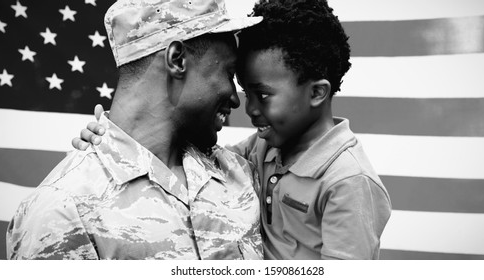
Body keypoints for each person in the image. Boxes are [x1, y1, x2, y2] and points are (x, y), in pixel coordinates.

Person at [74, 0, 392, 260]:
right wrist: (112, 139)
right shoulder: (262, 149)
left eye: (263, 95)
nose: (248, 107)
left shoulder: (350, 181)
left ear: (316, 93)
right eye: (244, 90)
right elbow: (196, 157)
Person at [6, 0, 264, 260]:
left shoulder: (244, 174)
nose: (235, 98)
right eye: (228, 73)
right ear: (177, 60)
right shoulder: (61, 211)